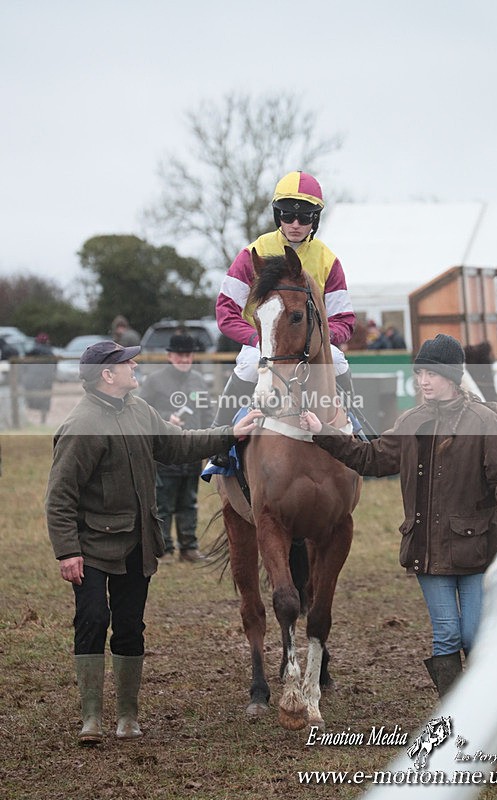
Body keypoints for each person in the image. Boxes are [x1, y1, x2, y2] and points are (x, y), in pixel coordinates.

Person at [45, 340, 261, 746]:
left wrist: (228, 434)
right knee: (92, 621)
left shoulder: (140, 410)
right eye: (128, 362)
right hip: (90, 548)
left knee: (130, 627)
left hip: (138, 543)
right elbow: (59, 497)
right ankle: (91, 718)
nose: (135, 365)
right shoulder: (82, 425)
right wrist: (67, 551)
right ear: (108, 375)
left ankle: (127, 716)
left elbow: (177, 444)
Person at [300, 333, 497, 697]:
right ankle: (455, 710)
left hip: (476, 549)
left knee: (472, 633)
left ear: (452, 378)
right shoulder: (411, 420)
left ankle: (489, 698)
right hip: (426, 548)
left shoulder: (484, 420)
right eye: (419, 374)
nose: (423, 381)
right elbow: (370, 458)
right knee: (447, 633)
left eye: (431, 375)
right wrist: (323, 433)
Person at [211, 170, 356, 465]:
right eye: (288, 216)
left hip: (310, 345)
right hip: (263, 342)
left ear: (314, 220)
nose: (295, 224)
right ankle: (218, 440)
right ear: (278, 215)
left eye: (304, 218)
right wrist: (258, 339)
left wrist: (320, 339)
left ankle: (356, 428)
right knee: (250, 366)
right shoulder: (253, 253)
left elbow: (344, 319)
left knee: (339, 362)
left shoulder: (329, 260)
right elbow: (226, 312)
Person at [138, 333, 213, 562]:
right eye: (180, 355)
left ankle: (189, 547)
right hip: (165, 451)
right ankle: (164, 549)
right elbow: (141, 410)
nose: (184, 359)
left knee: (188, 500)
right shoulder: (154, 381)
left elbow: (207, 412)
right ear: (170, 356)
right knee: (163, 501)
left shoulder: (199, 381)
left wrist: (209, 439)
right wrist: (164, 418)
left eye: (188, 355)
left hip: (191, 450)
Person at [22, 332, 57, 423]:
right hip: (46, 379)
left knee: (29, 397)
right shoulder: (50, 352)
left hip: (35, 378)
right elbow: (54, 366)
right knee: (45, 399)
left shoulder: (33, 350)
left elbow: (24, 363)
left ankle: (27, 420)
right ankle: (42, 420)